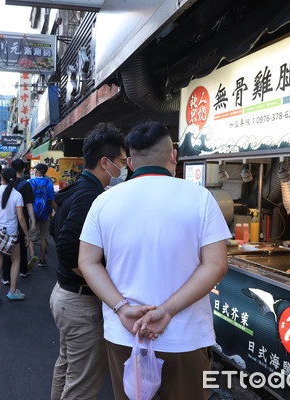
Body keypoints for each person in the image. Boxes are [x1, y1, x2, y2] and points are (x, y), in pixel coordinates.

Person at [78, 121, 231, 400]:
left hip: (126, 335)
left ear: (132, 163)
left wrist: (122, 309)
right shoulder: (200, 198)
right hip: (187, 338)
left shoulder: (104, 201)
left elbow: (88, 262)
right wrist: (168, 311)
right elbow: (216, 264)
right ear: (173, 156)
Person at [50, 122, 127, 400]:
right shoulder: (90, 196)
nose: (123, 168)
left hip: (67, 297)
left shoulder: (75, 189)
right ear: (105, 162)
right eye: (121, 161)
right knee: (83, 386)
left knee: (68, 368)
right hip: (81, 304)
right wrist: (97, 280)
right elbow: (68, 248)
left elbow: (54, 231)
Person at [0, 167, 30, 304]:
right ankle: (12, 291)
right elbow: (21, 218)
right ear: (14, 179)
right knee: (15, 261)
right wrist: (27, 235)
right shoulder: (17, 195)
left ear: (2, 178)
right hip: (11, 234)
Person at [1, 159, 36, 284]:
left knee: (6, 247)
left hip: (7, 221)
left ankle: (5, 275)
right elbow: (29, 205)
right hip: (22, 221)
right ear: (24, 169)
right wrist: (33, 222)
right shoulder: (25, 185)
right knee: (21, 245)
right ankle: (23, 270)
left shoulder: (5, 184)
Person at [28, 163, 57, 268]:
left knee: (32, 237)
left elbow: (27, 199)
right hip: (45, 213)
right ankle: (42, 259)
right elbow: (52, 199)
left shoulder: (30, 182)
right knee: (44, 237)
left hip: (33, 214)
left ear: (36, 171)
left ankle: (32, 256)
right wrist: (57, 212)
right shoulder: (49, 183)